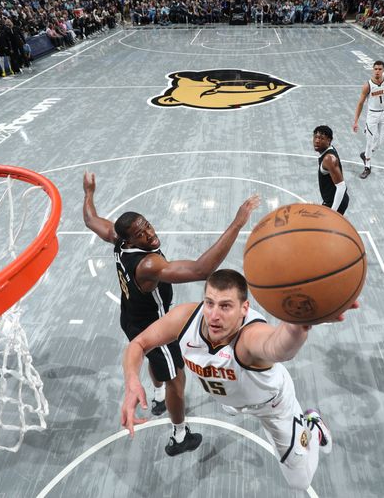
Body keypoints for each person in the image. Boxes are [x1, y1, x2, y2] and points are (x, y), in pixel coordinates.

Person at [122, 269, 353, 490]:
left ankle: (313, 426)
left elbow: (279, 347)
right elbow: (139, 343)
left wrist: (298, 326)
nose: (214, 315)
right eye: (209, 303)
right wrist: (132, 379)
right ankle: (234, 401)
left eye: (225, 306)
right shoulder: (186, 318)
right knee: (229, 394)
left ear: (244, 308)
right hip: (231, 395)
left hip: (272, 406)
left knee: (299, 481)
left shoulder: (249, 338)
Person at [82, 171, 260, 455]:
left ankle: (156, 394)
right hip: (155, 325)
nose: (150, 234)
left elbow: (91, 219)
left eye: (148, 226)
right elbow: (201, 269)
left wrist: (88, 192)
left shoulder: (117, 238)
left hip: (130, 318)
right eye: (141, 234)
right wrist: (238, 223)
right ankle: (179, 435)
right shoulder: (148, 265)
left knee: (156, 362)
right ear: (128, 241)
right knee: (177, 382)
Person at [352, 60, 384, 179]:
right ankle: (367, 167)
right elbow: (360, 103)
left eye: (380, 69)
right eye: (375, 69)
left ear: (383, 70)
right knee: (369, 141)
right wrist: (356, 121)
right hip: (372, 115)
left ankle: (366, 155)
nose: (377, 71)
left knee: (382, 141)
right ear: (373, 70)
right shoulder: (367, 85)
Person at [312, 125, 349, 214]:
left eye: (321, 138)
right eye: (315, 137)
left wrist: (332, 213)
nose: (317, 141)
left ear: (329, 140)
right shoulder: (328, 150)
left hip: (334, 203)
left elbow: (341, 187)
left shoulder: (328, 159)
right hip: (333, 200)